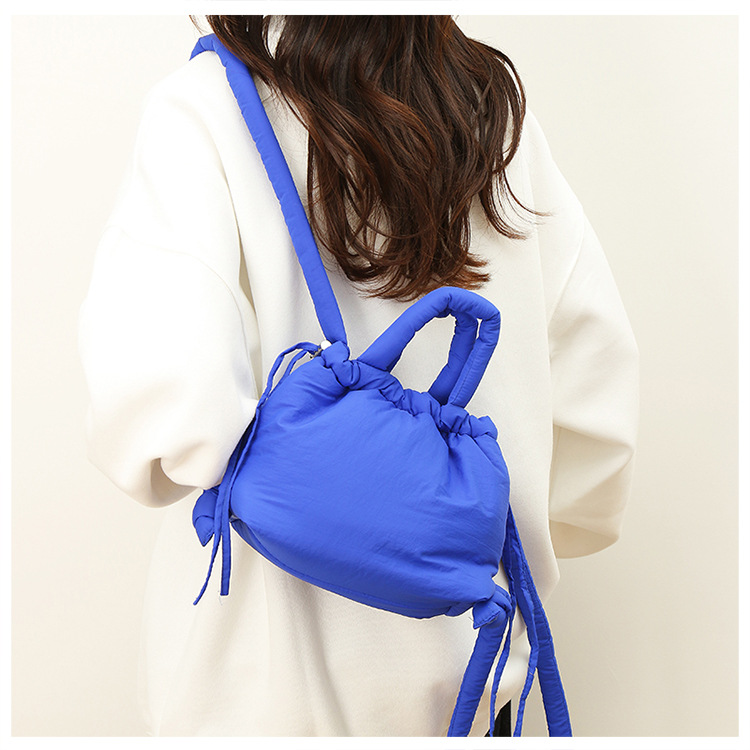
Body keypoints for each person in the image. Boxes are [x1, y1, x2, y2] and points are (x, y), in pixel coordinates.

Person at [78, 15, 638, 737]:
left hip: (256, 696)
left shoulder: (205, 107)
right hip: (472, 683)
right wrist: (449, 532)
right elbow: (596, 429)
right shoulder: (494, 118)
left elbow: (156, 409)